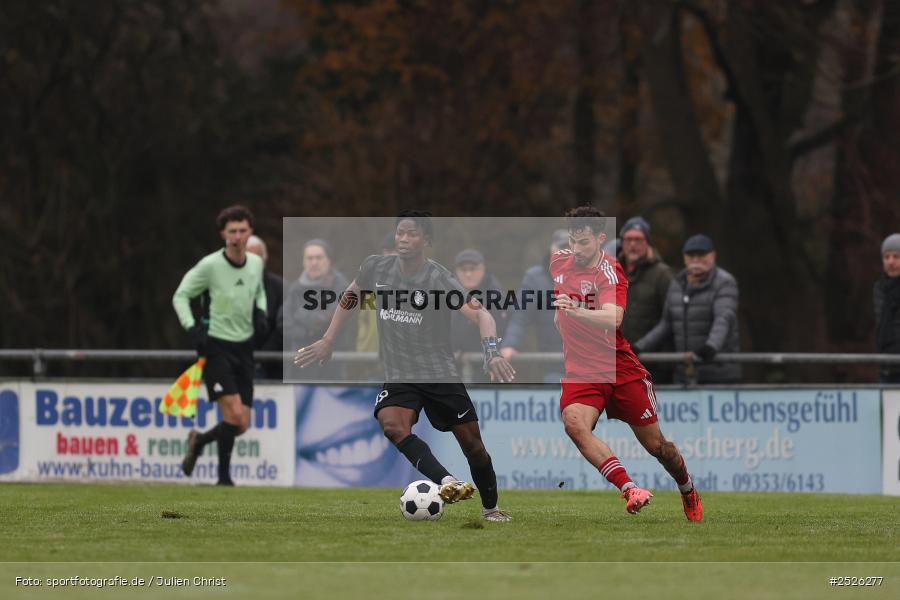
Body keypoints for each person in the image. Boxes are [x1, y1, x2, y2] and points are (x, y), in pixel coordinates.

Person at [295, 210, 517, 522]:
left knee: (474, 448)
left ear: (426, 240)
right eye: (400, 233)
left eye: (412, 234)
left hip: (439, 374)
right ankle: (447, 481)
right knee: (392, 426)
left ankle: (491, 508)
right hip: (400, 375)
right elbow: (350, 296)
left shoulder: (439, 279)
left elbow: (482, 315)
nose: (403, 239)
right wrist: (328, 339)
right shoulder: (376, 266)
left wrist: (492, 352)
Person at [551, 206, 702, 521]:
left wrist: (574, 310)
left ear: (601, 239)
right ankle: (630, 489)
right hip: (583, 371)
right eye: (573, 241)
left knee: (658, 446)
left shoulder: (610, 270)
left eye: (585, 243)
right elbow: (557, 305)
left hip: (620, 369)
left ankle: (687, 488)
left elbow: (614, 317)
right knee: (574, 423)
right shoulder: (559, 262)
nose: (577, 249)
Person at [174, 205, 267, 486]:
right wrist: (192, 328)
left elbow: (259, 292)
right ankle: (224, 479)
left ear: (250, 232)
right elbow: (180, 296)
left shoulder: (255, 264)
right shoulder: (210, 266)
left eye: (242, 231)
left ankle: (201, 440)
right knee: (234, 414)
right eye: (232, 232)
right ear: (223, 235)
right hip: (215, 348)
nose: (237, 236)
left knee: (242, 424)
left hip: (244, 348)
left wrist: (261, 312)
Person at [634, 234, 740, 384]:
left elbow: (723, 318)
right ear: (684, 257)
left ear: (713, 256)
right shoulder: (677, 283)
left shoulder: (725, 282)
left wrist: (711, 347)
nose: (695, 259)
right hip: (685, 374)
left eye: (701, 254)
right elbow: (666, 324)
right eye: (691, 255)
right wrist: (638, 347)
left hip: (719, 373)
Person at [280, 239, 353, 380]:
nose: (314, 262)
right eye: (309, 258)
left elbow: (329, 319)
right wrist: (306, 331)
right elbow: (283, 322)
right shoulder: (295, 288)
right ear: (303, 262)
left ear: (329, 260)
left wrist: (300, 315)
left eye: (319, 258)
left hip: (330, 365)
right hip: (300, 366)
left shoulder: (341, 285)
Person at [501, 229, 568, 382]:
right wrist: (510, 344)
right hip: (554, 365)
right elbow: (520, 316)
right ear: (552, 250)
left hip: (588, 365)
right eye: (561, 248)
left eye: (569, 248)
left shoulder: (591, 275)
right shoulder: (534, 278)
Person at [617, 217, 673, 382]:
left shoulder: (662, 274)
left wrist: (642, 346)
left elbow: (669, 319)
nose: (633, 244)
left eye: (638, 239)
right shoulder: (612, 270)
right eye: (628, 239)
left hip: (652, 363)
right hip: (618, 361)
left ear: (647, 242)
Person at [450, 249, 507, 381]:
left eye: (473, 269)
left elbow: (500, 330)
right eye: (463, 270)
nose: (468, 274)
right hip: (455, 370)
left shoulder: (496, 295)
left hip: (488, 369)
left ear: (483, 269)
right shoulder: (449, 292)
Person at [247, 235, 284, 380]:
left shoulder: (280, 287)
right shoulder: (229, 286)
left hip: (271, 367)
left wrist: (262, 358)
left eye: (256, 257)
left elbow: (283, 326)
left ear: (265, 259)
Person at [875, 233, 900, 383]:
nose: (891, 262)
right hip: (886, 365)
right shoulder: (879, 288)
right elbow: (882, 325)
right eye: (887, 257)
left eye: (896, 257)